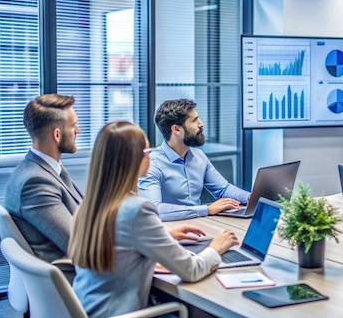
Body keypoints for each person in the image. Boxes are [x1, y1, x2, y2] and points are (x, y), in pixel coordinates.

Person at [68, 121, 239, 318]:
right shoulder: (137, 210)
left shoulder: (89, 206)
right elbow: (191, 270)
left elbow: (118, 238)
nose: (150, 157)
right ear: (134, 159)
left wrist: (163, 234)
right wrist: (216, 247)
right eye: (146, 151)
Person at [1, 94, 82, 264]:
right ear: (57, 135)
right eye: (74, 125)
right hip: (76, 280)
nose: (78, 130)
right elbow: (79, 246)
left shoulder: (47, 170)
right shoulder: (35, 182)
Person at [138, 99, 250, 221]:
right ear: (176, 129)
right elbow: (154, 210)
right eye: (194, 120)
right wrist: (206, 210)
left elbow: (223, 189)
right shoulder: (152, 164)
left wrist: (250, 198)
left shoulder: (199, 156)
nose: (201, 124)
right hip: (170, 230)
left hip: (200, 224)